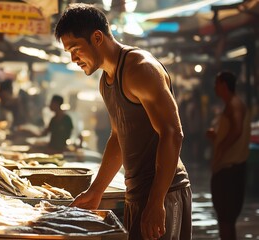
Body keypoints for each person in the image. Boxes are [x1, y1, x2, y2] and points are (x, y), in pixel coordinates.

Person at [55, 3, 191, 240]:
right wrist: (96, 190)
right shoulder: (106, 80)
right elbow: (118, 138)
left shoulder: (141, 69)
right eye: (69, 52)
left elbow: (172, 133)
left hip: (164, 192)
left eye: (76, 48)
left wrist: (156, 201)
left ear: (97, 37)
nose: (74, 58)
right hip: (137, 193)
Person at [206, 71, 251, 240]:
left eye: (216, 83)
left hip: (229, 171)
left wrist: (221, 150)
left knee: (225, 220)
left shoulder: (234, 104)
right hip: (228, 170)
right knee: (226, 220)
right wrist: (216, 139)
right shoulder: (231, 105)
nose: (214, 87)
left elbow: (237, 130)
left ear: (224, 85)